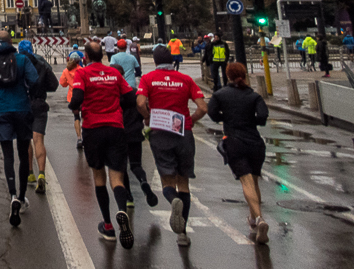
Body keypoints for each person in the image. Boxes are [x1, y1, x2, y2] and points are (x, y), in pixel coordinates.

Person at [138, 44, 208, 246]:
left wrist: (149, 118)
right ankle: (183, 233)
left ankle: (172, 199)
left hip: (161, 132)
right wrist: (191, 120)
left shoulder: (149, 79)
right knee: (184, 182)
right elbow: (203, 107)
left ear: (155, 60)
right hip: (183, 131)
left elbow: (141, 103)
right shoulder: (185, 79)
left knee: (167, 180)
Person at [68, 40, 135, 249]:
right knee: (117, 177)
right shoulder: (114, 74)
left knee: (99, 176)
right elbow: (130, 97)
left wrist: (73, 106)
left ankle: (107, 225)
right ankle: (122, 210)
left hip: (93, 128)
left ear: (85, 57)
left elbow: (77, 98)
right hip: (115, 126)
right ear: (104, 56)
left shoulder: (83, 73)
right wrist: (116, 104)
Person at [0, 30, 39, 227]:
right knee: (22, 154)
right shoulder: (21, 60)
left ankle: (11, 195)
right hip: (22, 110)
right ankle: (20, 196)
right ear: (11, 42)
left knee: (7, 155)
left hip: (2, 111)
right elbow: (35, 80)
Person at [207, 61, 270, 243]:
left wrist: (225, 118)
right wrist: (251, 121)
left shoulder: (220, 95)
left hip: (235, 141)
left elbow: (211, 113)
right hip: (255, 142)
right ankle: (253, 218)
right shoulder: (254, 96)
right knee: (254, 181)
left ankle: (259, 219)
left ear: (228, 76)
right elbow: (263, 116)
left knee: (246, 181)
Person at [108, 38, 156, 208]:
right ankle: (143, 181)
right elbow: (138, 70)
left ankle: (128, 197)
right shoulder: (135, 94)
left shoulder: (112, 94)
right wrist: (146, 120)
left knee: (121, 167)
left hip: (119, 133)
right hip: (135, 132)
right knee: (136, 164)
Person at [18, 40, 57, 194]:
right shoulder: (42, 63)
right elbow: (53, 85)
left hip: (23, 105)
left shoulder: (18, 63)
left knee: (26, 140)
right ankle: (41, 173)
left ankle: (30, 174)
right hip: (40, 104)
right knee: (38, 140)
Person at [59, 52, 83, 149]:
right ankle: (85, 134)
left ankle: (79, 137)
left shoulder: (66, 71)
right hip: (82, 96)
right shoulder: (82, 70)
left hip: (72, 97)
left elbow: (63, 83)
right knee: (85, 116)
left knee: (76, 117)